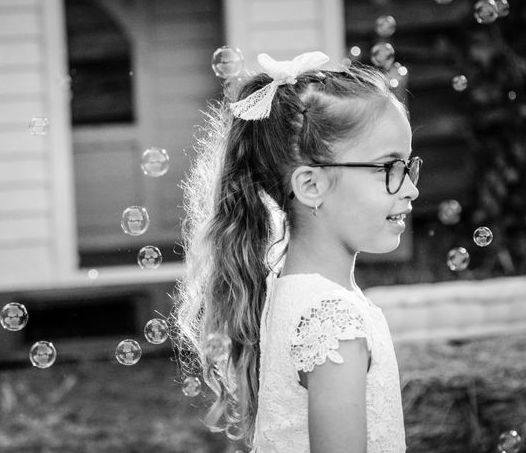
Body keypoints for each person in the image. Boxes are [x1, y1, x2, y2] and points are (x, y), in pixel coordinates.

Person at [172, 51, 422, 453]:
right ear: (310, 186)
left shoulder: (286, 290)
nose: (410, 188)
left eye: (408, 166)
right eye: (387, 168)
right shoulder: (334, 324)